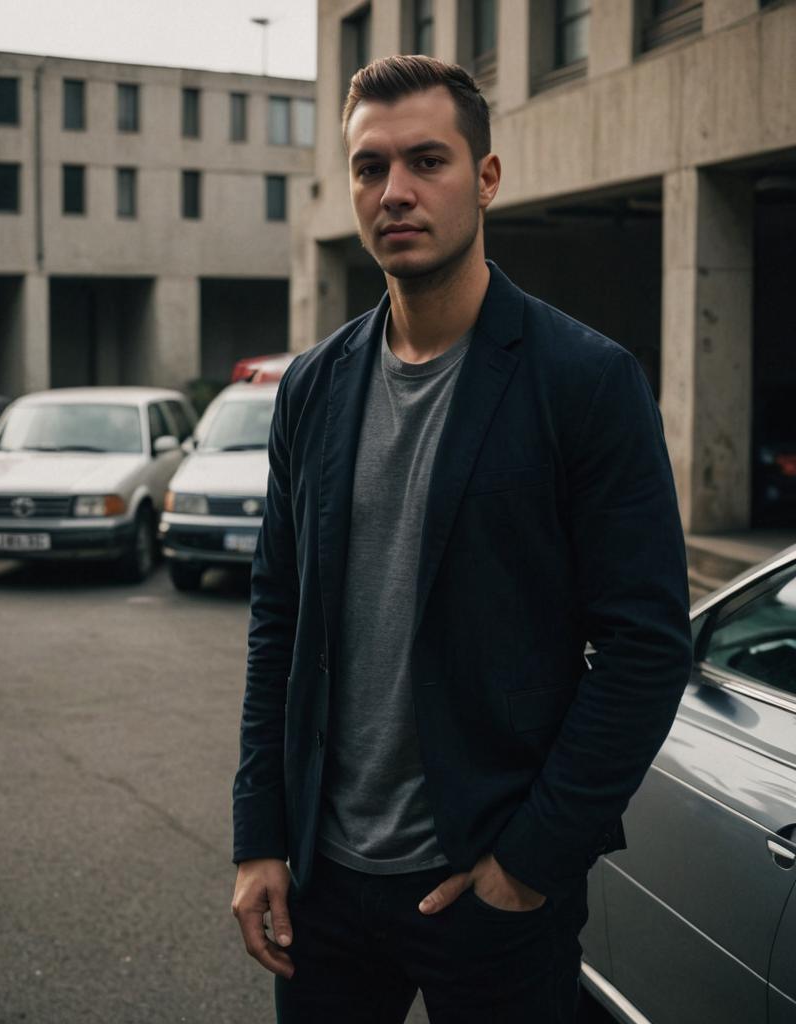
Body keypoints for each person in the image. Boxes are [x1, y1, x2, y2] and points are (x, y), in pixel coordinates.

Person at [231, 54, 692, 1023]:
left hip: (488, 887)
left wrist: (525, 864)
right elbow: (278, 619)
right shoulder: (311, 389)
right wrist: (258, 835)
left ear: (485, 179)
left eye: (426, 161)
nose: (393, 191)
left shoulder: (585, 381)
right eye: (368, 168)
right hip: (324, 882)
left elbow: (646, 645)